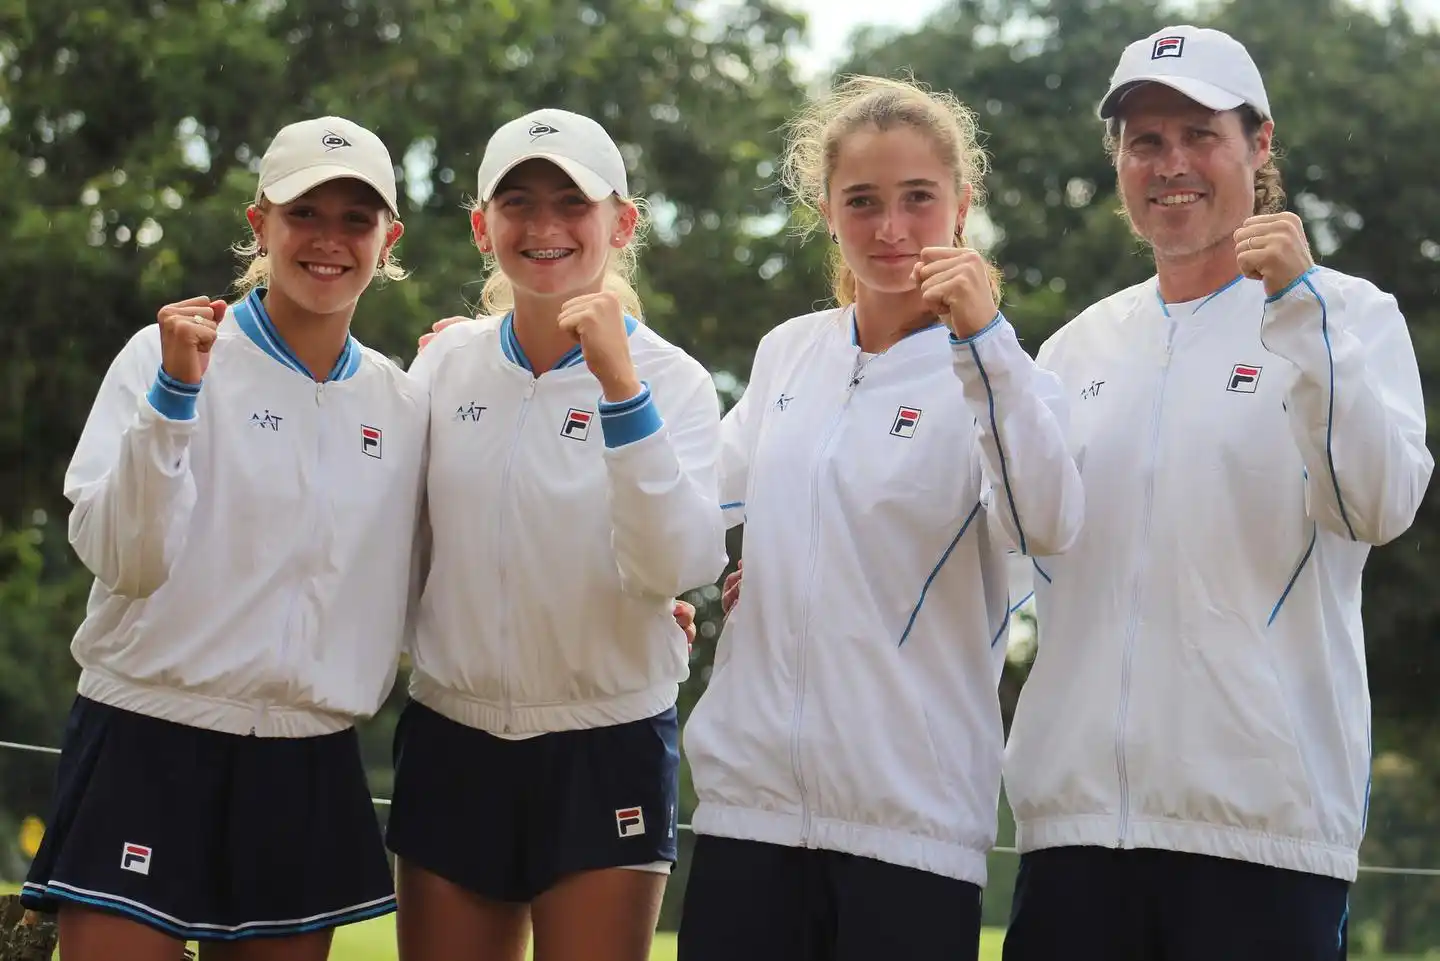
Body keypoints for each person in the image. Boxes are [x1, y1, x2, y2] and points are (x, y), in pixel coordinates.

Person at [994, 25, 1434, 961]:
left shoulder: (1349, 313)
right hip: (1073, 834)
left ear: (1259, 144)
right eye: (1146, 141)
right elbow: (1007, 553)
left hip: (1262, 835)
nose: (1172, 164)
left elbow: (1377, 505)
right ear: (1119, 161)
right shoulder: (1075, 348)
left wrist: (1301, 311)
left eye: (1201, 135)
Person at [676, 75, 1084, 961]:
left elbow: (1044, 525)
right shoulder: (789, 354)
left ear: (962, 206)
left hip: (913, 829)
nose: (891, 229)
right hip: (750, 814)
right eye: (863, 201)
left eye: (917, 200)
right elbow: (684, 512)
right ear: (828, 209)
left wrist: (986, 349)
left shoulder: (1012, 378)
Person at [19, 116, 426, 961]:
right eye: (305, 213)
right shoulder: (163, 355)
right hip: (146, 734)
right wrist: (174, 396)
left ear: (388, 237)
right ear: (260, 223)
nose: (329, 240)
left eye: (356, 219)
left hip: (306, 758)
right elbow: (125, 557)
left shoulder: (403, 403)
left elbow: (445, 571)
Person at [384, 108, 728, 961]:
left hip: (606, 739)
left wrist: (619, 385)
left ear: (620, 221)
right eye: (517, 202)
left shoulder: (674, 383)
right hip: (451, 734)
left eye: (571, 203)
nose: (543, 227)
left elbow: (679, 563)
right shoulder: (443, 365)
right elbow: (390, 545)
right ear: (481, 226)